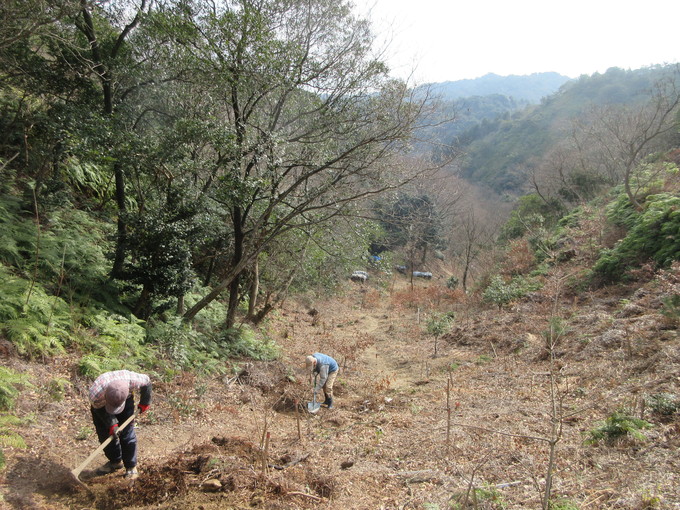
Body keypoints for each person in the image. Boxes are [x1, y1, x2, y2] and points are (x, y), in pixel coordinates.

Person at [88, 370, 152, 480]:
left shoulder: (134, 380)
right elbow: (98, 408)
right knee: (105, 434)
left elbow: (147, 383)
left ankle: (131, 467)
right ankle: (115, 461)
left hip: (125, 401)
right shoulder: (96, 393)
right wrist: (111, 424)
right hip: (101, 406)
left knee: (127, 433)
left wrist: (145, 402)